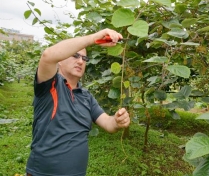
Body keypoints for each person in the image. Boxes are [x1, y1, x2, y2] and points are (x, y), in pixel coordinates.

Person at [26, 29, 131, 176]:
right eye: (75, 55)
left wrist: (118, 121)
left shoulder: (86, 96)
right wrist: (95, 37)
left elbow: (108, 123)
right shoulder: (50, 86)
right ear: (61, 60)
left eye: (84, 58)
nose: (80, 61)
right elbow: (48, 56)